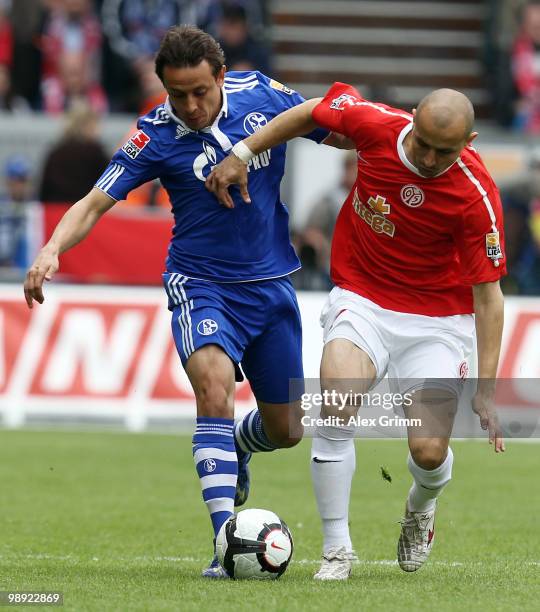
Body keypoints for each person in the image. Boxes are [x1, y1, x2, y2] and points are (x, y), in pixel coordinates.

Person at [23, 25, 347, 579]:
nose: (191, 106)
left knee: (287, 430)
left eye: (199, 91)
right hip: (200, 283)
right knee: (213, 386)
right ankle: (225, 542)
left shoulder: (261, 95)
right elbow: (94, 202)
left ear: (221, 77)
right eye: (178, 94)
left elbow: (332, 127)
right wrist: (51, 248)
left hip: (270, 285)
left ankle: (243, 446)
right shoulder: (153, 135)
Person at [206, 83, 507, 579]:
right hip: (362, 296)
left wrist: (487, 391)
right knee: (337, 401)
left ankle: (421, 508)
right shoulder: (376, 125)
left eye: (445, 151)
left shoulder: (476, 195)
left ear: (469, 141)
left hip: (436, 321)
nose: (430, 158)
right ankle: (336, 550)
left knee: (428, 452)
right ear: (412, 118)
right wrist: (242, 150)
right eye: (424, 143)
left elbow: (489, 295)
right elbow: (308, 112)